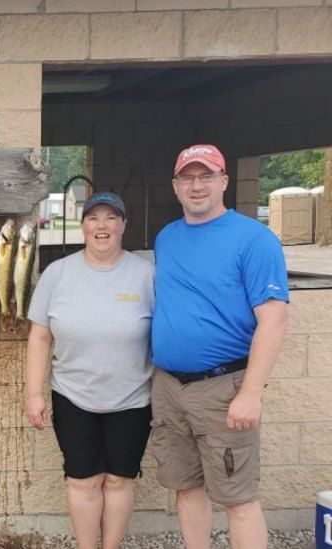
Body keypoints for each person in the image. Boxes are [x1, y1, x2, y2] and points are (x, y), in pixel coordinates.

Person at [151, 144, 288, 549]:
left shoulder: (254, 239)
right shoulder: (167, 238)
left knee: (238, 497)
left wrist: (250, 394)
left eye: (206, 176)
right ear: (175, 186)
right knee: (186, 488)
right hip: (169, 387)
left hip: (223, 387)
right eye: (188, 177)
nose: (197, 186)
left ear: (224, 181)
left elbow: (274, 320)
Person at [25, 192, 155, 549]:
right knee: (83, 481)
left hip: (132, 399)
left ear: (123, 225)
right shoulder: (58, 274)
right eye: (93, 218)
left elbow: (168, 333)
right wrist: (34, 393)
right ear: (82, 226)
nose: (102, 226)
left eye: (111, 217)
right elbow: (39, 336)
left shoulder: (146, 275)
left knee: (118, 481)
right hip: (73, 396)